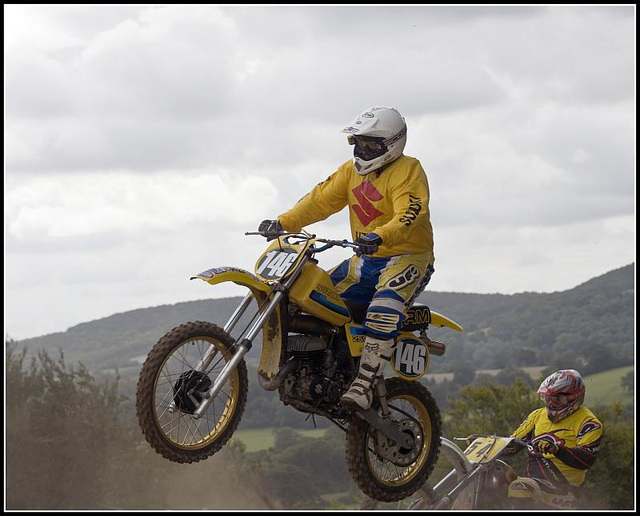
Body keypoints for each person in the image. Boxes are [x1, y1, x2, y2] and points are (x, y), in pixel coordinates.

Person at [259, 106, 434, 410]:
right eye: (359, 143)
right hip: (364, 261)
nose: (364, 150)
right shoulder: (350, 172)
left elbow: (411, 212)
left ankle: (364, 385)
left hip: (408, 258)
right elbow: (319, 201)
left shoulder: (409, 170)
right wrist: (283, 223)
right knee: (310, 297)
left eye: (371, 145)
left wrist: (381, 235)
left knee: (383, 306)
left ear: (392, 144)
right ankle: (315, 365)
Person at [510, 369, 603, 508]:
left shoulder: (589, 423)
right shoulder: (537, 416)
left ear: (574, 397)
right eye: (547, 398)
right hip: (535, 483)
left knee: (519, 488)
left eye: (557, 399)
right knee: (495, 480)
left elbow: (586, 459)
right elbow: (511, 444)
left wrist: (556, 449)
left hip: (565, 491)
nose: (551, 404)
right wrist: (486, 443)